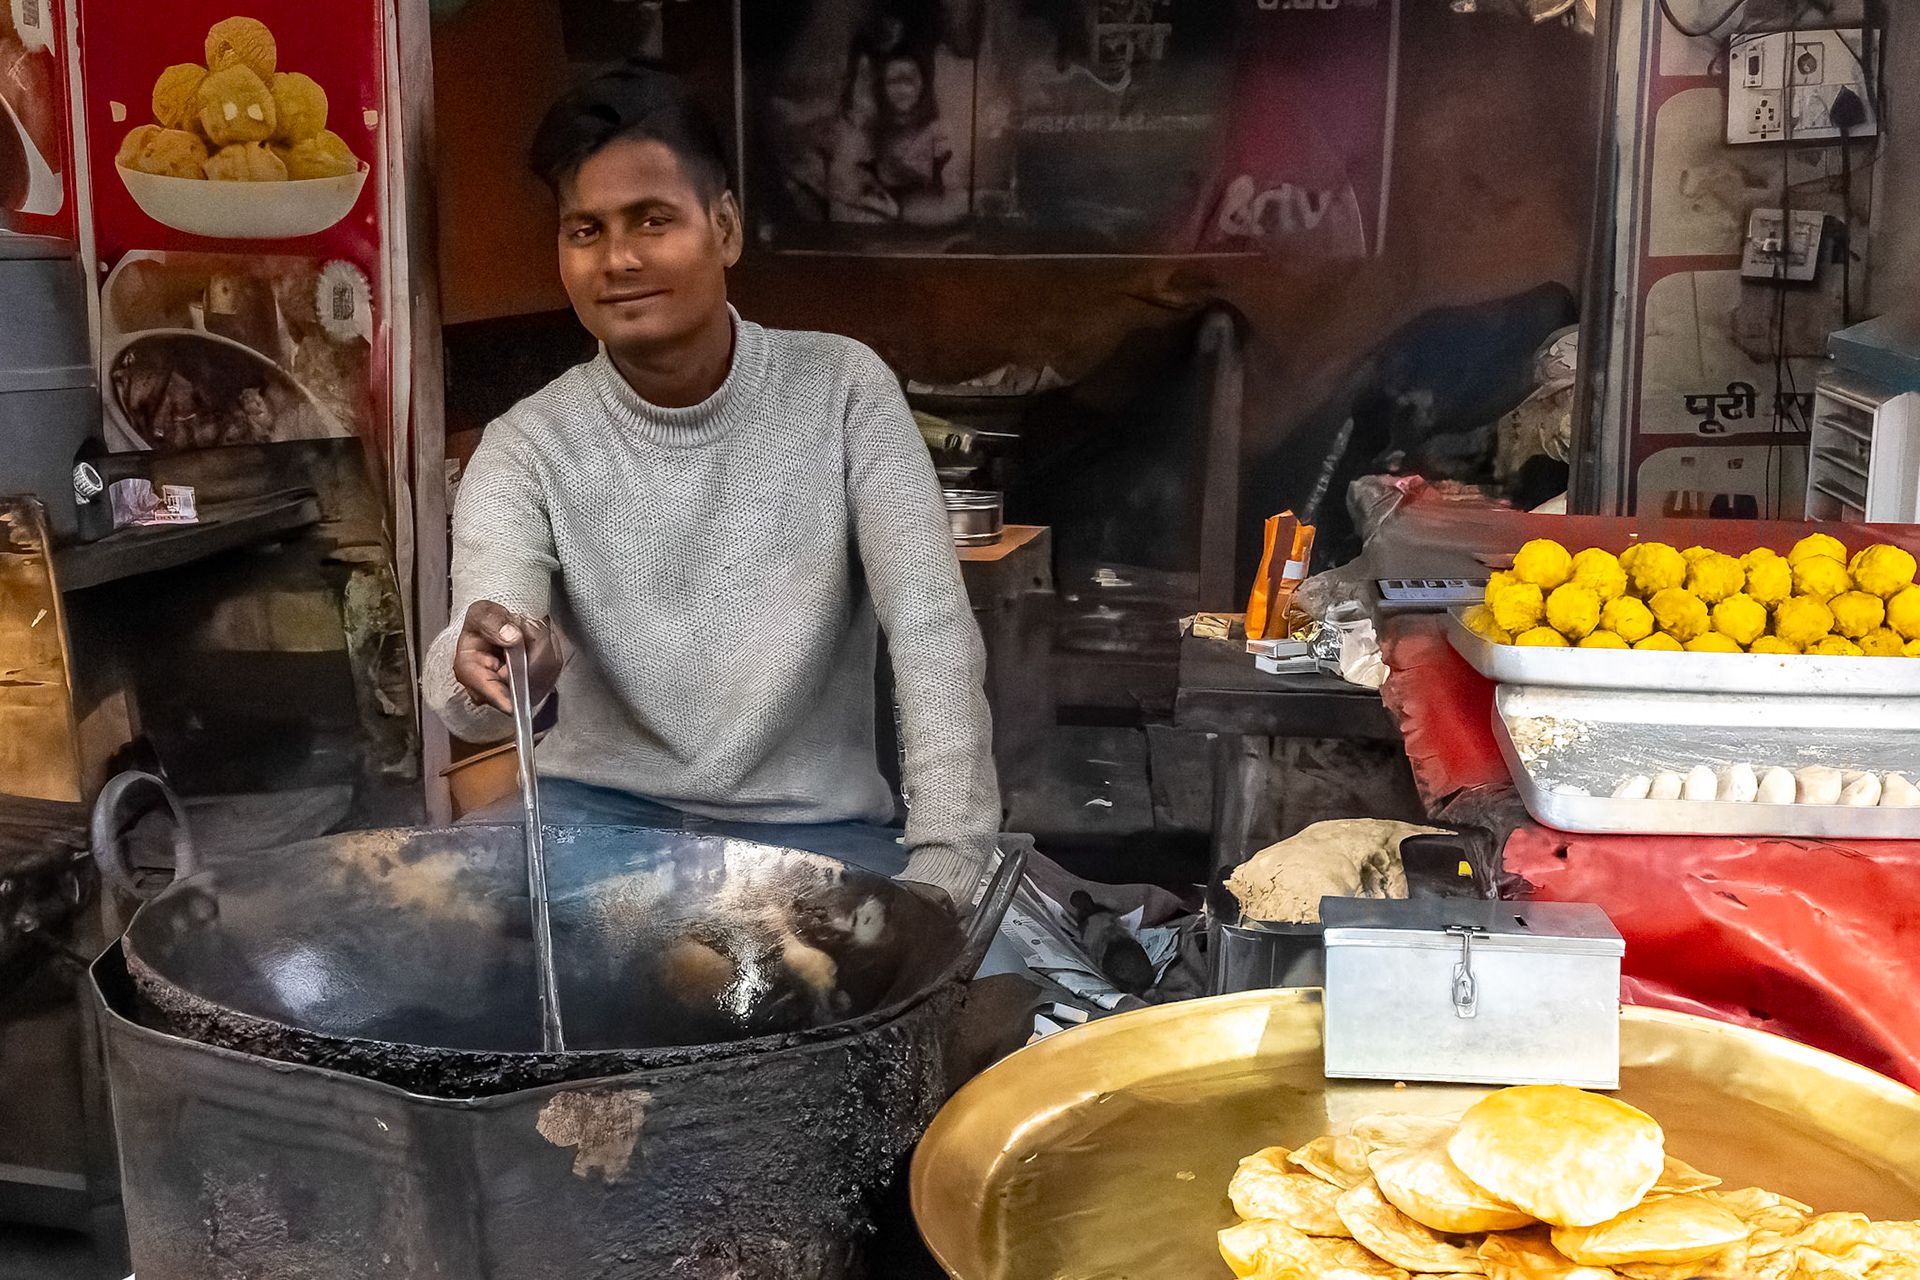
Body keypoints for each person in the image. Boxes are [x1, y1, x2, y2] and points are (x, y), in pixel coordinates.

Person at [422, 63, 1000, 907]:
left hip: (814, 837)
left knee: (942, 1004)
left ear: (724, 228)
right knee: (432, 947)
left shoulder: (843, 390)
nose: (617, 258)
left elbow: (932, 636)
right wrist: (491, 663)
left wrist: (949, 863)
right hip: (587, 831)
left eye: (652, 221)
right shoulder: (525, 447)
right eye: (584, 231)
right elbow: (472, 687)